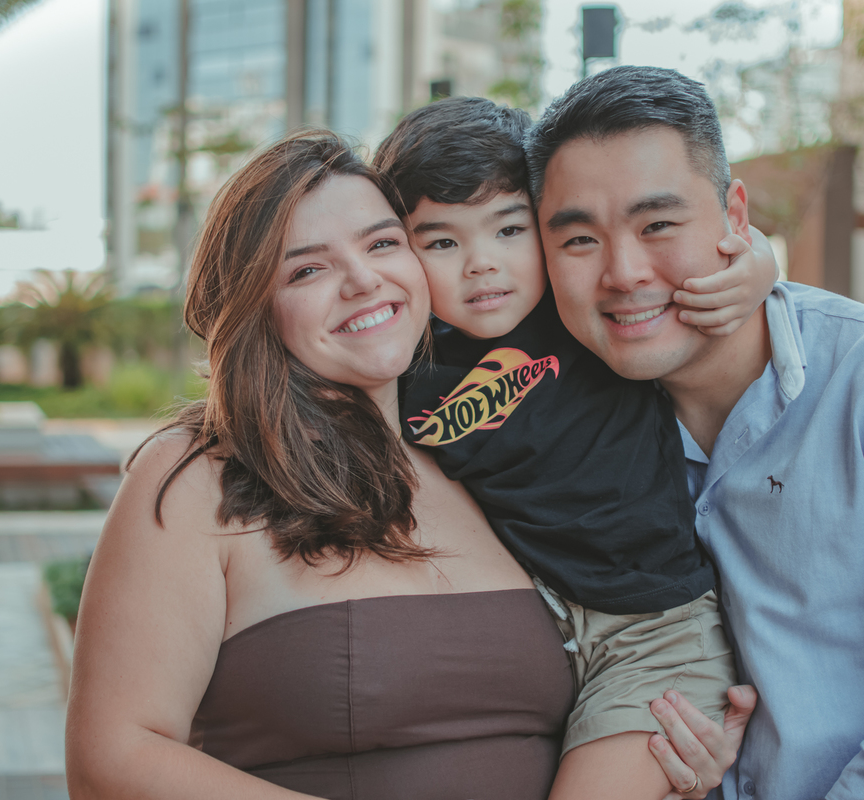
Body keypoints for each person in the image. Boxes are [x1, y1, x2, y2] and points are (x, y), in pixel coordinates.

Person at [527, 65, 864, 800]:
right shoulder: (560, 424)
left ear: (736, 216)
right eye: (579, 239)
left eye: (658, 225)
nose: (624, 271)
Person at [64, 132, 582, 800]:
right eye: (307, 270)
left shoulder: (480, 453)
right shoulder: (195, 479)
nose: (364, 279)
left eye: (382, 243)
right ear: (256, 306)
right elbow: (112, 761)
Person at [373, 96, 775, 800]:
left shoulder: (583, 315)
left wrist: (762, 265)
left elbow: (719, 252)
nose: (481, 266)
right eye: (441, 243)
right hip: (523, 637)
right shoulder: (403, 365)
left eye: (508, 230)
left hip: (653, 636)